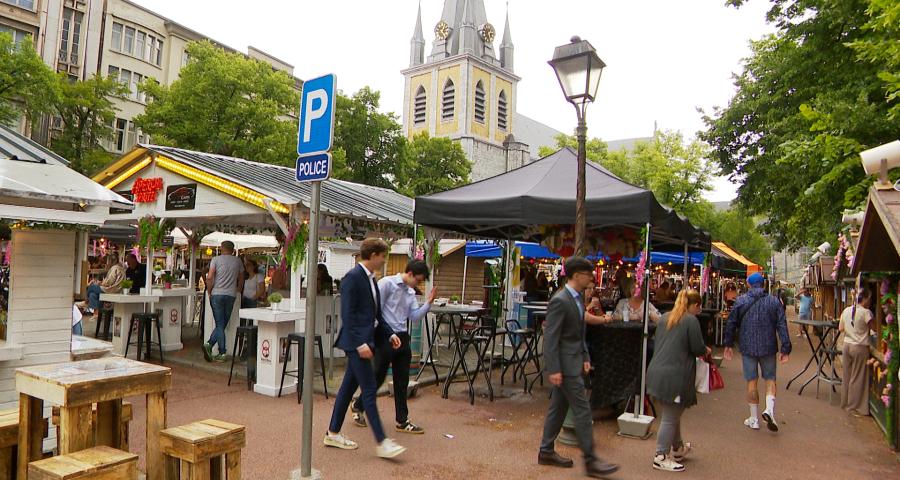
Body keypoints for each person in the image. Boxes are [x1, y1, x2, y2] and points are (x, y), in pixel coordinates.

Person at [538, 256, 619, 478]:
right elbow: (551, 337)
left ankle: (546, 451)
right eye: (587, 274)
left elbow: (577, 332)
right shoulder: (560, 300)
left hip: (572, 362)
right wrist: (554, 368)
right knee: (583, 411)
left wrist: (584, 355)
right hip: (565, 367)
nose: (591, 278)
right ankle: (591, 461)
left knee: (558, 409)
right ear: (576, 275)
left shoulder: (576, 298)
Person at [325, 238, 406, 459]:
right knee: (369, 389)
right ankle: (382, 442)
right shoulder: (353, 278)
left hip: (362, 343)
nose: (384, 260)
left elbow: (376, 315)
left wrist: (390, 334)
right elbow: (348, 315)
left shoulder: (371, 279)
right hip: (356, 344)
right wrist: (360, 344)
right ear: (373, 255)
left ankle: (333, 433)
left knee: (347, 389)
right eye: (383, 256)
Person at [351, 260, 437, 434]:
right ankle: (359, 405)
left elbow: (414, 316)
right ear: (410, 274)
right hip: (385, 335)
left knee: (402, 380)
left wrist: (428, 303)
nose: (418, 284)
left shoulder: (410, 292)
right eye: (418, 280)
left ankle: (402, 420)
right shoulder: (387, 284)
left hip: (403, 336)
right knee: (378, 376)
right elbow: (374, 309)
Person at [646, 289, 710, 472]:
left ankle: (678, 448)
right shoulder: (691, 321)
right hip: (676, 375)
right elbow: (697, 348)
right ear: (695, 305)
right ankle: (660, 456)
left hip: (656, 371)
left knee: (672, 413)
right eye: (699, 307)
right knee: (670, 417)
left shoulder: (665, 318)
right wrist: (705, 350)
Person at [723, 272, 792, 432]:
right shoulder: (774, 301)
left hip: (748, 347)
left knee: (751, 381)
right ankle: (769, 410)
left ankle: (754, 419)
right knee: (770, 379)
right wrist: (785, 348)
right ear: (763, 284)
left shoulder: (741, 301)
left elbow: (731, 323)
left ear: (748, 284)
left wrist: (728, 344)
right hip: (768, 346)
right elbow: (781, 324)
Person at [202, 241, 244, 363]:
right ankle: (210, 345)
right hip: (231, 295)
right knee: (222, 323)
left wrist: (209, 291)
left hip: (217, 294)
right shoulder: (238, 261)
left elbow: (209, 277)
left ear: (222, 248)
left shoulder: (216, 260)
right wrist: (238, 290)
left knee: (220, 324)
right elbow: (241, 278)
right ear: (233, 249)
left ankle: (221, 351)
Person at [840, 290, 873, 417]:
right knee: (857, 377)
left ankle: (845, 403)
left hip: (846, 345)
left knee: (847, 376)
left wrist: (851, 331)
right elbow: (874, 328)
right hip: (859, 346)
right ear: (865, 299)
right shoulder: (866, 312)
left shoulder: (846, 310)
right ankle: (853, 406)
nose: (870, 301)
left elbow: (841, 328)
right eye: (869, 298)